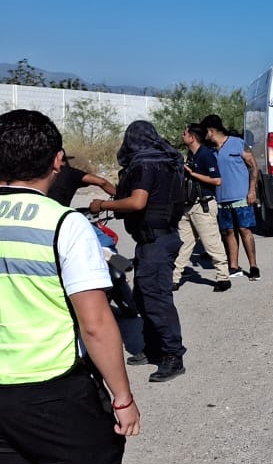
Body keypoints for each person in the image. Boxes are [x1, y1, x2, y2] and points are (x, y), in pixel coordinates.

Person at [0, 109, 140, 464]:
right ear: (58, 161)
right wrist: (122, 397)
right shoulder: (63, 225)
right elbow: (95, 323)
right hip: (50, 388)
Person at [90, 120, 187, 382]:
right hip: (156, 238)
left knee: (156, 299)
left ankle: (172, 355)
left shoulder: (145, 163)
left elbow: (137, 202)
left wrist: (102, 205)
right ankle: (153, 346)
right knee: (143, 296)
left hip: (157, 241)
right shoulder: (165, 160)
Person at [172, 122, 230, 292]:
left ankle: (223, 278)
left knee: (211, 243)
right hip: (188, 205)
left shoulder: (206, 155)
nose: (182, 136)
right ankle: (174, 278)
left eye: (185, 133)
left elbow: (217, 180)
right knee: (183, 244)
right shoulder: (192, 155)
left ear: (192, 137)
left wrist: (193, 173)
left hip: (202, 205)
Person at [203, 115, 260, 281]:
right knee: (228, 231)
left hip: (242, 196)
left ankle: (253, 266)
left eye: (204, 131)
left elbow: (253, 166)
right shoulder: (210, 150)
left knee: (244, 230)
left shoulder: (237, 143)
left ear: (211, 131)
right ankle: (234, 266)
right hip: (221, 199)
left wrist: (252, 190)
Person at [46, 154, 117, 207]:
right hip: (60, 216)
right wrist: (119, 200)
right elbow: (102, 182)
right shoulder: (70, 173)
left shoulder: (42, 173)